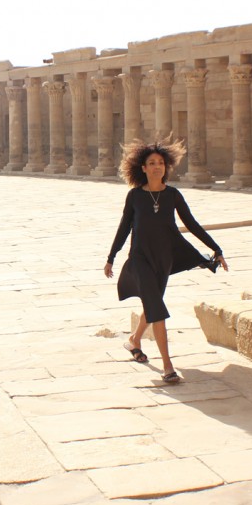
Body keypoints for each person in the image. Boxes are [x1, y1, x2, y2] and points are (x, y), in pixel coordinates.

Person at [105, 137, 229, 383]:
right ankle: (168, 366)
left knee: (153, 305)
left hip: (164, 259)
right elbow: (123, 228)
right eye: (151, 163)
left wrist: (216, 249)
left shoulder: (173, 195)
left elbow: (191, 225)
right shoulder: (135, 197)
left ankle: (133, 340)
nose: (156, 166)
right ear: (143, 168)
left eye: (160, 162)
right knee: (157, 308)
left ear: (166, 166)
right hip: (140, 259)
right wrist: (111, 257)